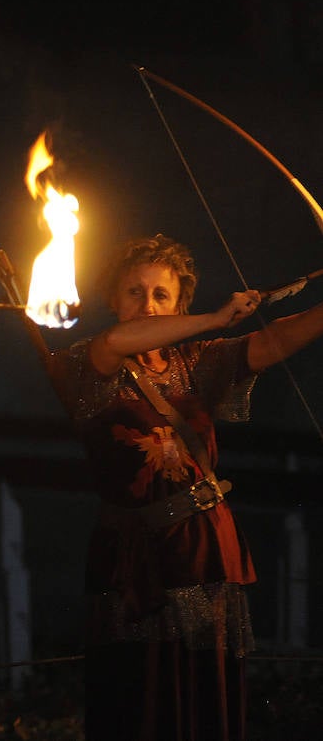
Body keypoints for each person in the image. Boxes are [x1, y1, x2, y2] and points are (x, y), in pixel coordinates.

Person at [46, 234, 323, 741]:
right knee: (140, 700)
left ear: (179, 305)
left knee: (204, 699)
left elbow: (273, 339)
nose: (147, 305)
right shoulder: (85, 364)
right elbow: (112, 344)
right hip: (135, 560)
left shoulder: (197, 361)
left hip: (206, 549)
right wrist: (219, 318)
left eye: (161, 295)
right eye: (134, 292)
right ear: (113, 299)